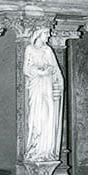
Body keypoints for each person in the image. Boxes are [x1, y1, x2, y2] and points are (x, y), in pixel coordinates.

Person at [23, 28, 63, 161]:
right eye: (46, 33)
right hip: (36, 86)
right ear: (38, 34)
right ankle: (35, 148)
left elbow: (56, 69)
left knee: (48, 114)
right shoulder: (30, 49)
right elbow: (26, 69)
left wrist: (57, 80)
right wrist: (39, 72)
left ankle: (46, 150)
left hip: (47, 85)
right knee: (37, 116)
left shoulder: (48, 50)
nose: (49, 35)